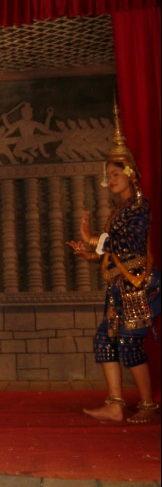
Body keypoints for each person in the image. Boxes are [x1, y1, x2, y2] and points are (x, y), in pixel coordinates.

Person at [68, 98, 160, 424]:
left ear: (130, 173)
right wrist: (90, 253)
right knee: (105, 341)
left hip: (135, 287)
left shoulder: (138, 208)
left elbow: (129, 246)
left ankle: (148, 404)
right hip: (118, 288)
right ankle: (116, 403)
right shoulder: (118, 212)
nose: (112, 178)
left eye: (117, 172)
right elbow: (113, 253)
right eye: (109, 173)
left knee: (129, 345)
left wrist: (94, 240)